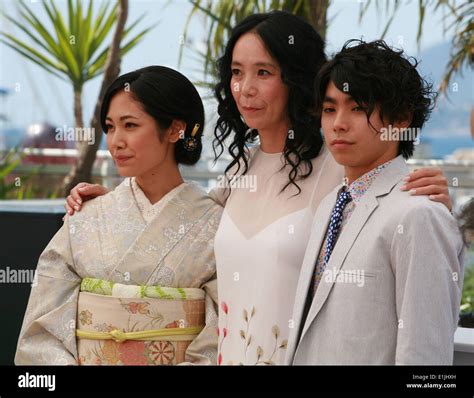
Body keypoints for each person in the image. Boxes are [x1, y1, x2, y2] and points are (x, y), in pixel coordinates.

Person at [65, 11, 452, 365]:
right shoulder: (239, 171)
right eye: (236, 72)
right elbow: (183, 226)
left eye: (263, 73)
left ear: (297, 79)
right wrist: (112, 208)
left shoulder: (340, 169)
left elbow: (392, 208)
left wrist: (429, 195)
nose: (245, 88)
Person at [15, 66, 223, 365]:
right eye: (110, 127)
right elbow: (42, 328)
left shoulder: (214, 223)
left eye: (130, 125)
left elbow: (223, 334)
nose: (115, 141)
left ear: (176, 129)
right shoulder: (87, 217)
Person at [286, 40, 465, 365]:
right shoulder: (331, 205)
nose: (338, 122)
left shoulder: (419, 213)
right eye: (329, 109)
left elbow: (426, 355)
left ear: (400, 119)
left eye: (357, 108)